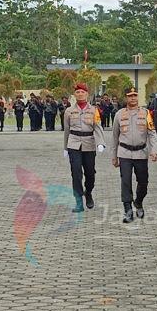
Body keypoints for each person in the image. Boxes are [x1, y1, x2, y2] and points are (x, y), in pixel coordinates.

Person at [110, 87, 157, 223]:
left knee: (143, 182)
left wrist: (154, 150)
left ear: (138, 97)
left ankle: (138, 202)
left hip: (141, 153)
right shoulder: (119, 114)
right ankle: (128, 210)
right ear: (126, 98)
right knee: (125, 181)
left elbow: (152, 133)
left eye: (135, 95)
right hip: (124, 153)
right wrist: (114, 156)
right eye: (130, 96)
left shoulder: (146, 113)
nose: (132, 98)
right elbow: (115, 136)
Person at [63, 83, 106, 213]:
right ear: (74, 95)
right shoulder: (69, 111)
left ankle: (89, 192)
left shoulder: (94, 110)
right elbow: (66, 130)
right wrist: (65, 147)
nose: (80, 94)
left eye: (82, 92)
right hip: (74, 144)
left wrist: (100, 143)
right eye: (77, 92)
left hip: (89, 144)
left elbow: (98, 127)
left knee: (90, 174)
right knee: (76, 174)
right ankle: (78, 202)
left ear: (87, 94)